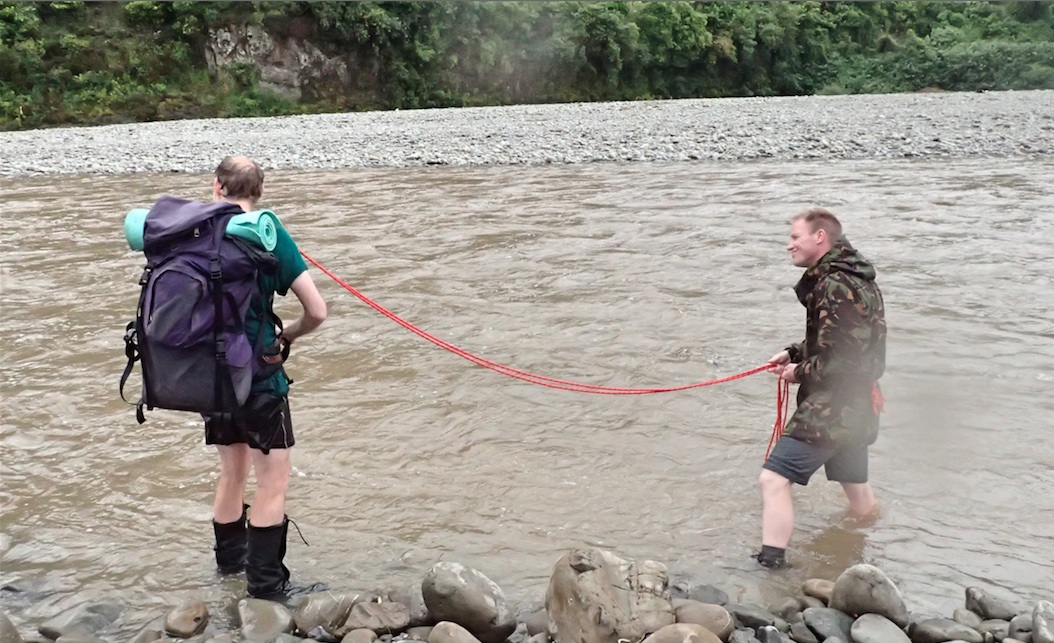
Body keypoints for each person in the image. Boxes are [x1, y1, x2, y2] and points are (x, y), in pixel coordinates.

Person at [206, 155, 327, 598]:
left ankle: (228, 573)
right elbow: (317, 312)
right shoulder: (269, 234)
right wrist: (287, 336)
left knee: (231, 473)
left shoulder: (195, 233)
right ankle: (266, 588)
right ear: (259, 192)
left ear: (217, 187)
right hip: (258, 375)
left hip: (211, 379)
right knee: (272, 482)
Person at [757, 207, 886, 569]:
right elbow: (844, 338)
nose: (789, 245)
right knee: (858, 495)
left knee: (773, 479)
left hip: (836, 405)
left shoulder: (834, 285)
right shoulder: (851, 276)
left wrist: (798, 372)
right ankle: (863, 555)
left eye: (795, 237)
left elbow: (842, 358)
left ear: (820, 237)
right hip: (858, 404)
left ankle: (770, 568)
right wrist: (794, 352)